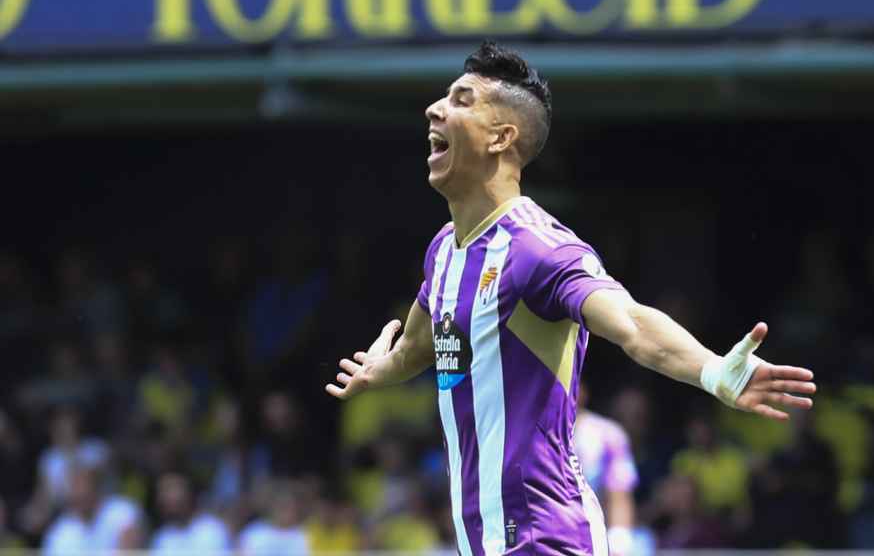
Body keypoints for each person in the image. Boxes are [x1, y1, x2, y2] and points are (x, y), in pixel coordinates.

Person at [325, 40, 816, 556]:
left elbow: (630, 322)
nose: (435, 108)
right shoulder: (445, 251)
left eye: (462, 100)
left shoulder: (537, 248)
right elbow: (420, 346)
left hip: (547, 536)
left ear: (501, 137)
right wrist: (380, 370)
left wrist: (713, 370)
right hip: (480, 538)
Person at [574, 383, 638, 555]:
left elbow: (619, 493)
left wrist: (619, 541)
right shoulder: (528, 431)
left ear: (581, 392)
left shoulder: (608, 434)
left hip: (593, 531)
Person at [149, 470, 231, 556]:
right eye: (163, 491)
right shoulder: (161, 538)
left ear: (189, 492)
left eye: (172, 489)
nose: (167, 497)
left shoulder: (212, 531)